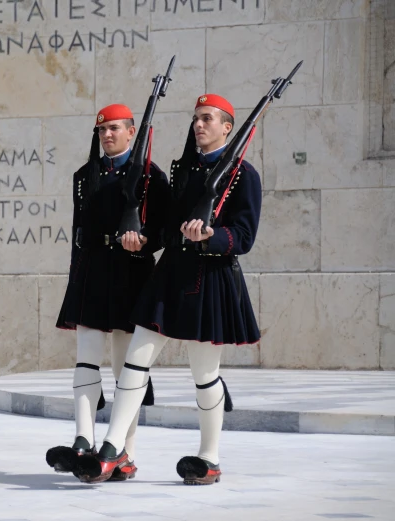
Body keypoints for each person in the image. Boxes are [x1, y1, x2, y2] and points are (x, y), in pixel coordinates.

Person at [70, 94, 262, 485]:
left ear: (227, 126)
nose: (199, 125)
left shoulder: (245, 175)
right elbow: (163, 222)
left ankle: (209, 457)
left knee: (205, 376)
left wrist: (212, 236)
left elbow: (243, 235)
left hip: (210, 279)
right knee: (135, 363)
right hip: (170, 273)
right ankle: (113, 447)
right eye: (196, 119)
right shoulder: (180, 171)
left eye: (207, 119)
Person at [46, 103, 169, 481]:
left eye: (115, 129)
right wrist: (73, 278)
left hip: (130, 272)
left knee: (123, 368)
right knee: (86, 357)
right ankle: (83, 439)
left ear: (132, 132)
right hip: (92, 269)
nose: (108, 135)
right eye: (102, 130)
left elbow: (162, 231)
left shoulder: (151, 176)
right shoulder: (85, 175)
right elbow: (77, 231)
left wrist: (142, 244)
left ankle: (125, 453)